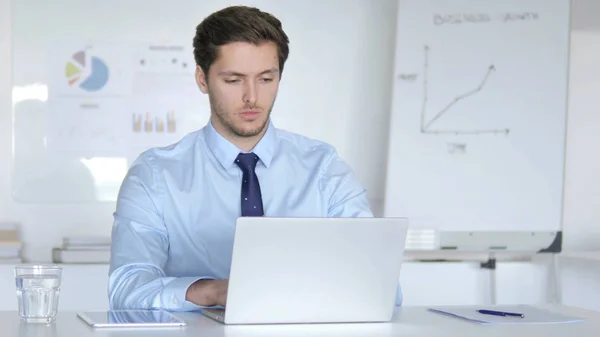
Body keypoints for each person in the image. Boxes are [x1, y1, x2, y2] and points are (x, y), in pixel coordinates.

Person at [108, 5, 402, 311]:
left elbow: (383, 286)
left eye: (265, 79)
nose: (252, 97)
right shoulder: (154, 174)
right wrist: (215, 292)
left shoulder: (324, 168)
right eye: (234, 80)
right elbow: (127, 285)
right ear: (202, 79)